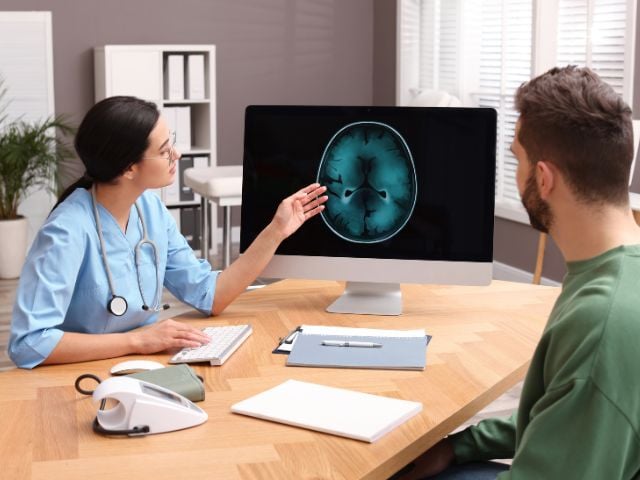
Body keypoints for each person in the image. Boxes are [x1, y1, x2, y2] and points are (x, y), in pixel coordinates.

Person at [397, 66, 640, 479]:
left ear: (542, 178)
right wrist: (460, 446)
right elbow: (570, 415)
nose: (516, 172)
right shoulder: (614, 273)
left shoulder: (601, 323)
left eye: (517, 159)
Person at [8, 96, 327, 369]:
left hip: (144, 363)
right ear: (128, 168)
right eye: (164, 150)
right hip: (80, 374)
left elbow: (210, 296)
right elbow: (30, 344)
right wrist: (136, 341)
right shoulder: (66, 231)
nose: (176, 155)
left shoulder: (150, 210)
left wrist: (276, 229)